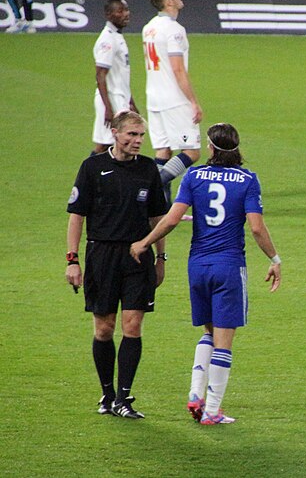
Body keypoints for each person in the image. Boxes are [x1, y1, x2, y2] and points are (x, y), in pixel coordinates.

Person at [130, 123, 281, 425]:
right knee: (224, 340)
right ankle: (212, 410)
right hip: (228, 266)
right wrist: (275, 258)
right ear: (236, 148)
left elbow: (172, 219)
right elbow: (255, 227)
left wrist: (145, 243)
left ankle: (195, 394)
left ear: (211, 148)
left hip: (197, 266)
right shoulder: (248, 180)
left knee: (208, 333)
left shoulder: (194, 176)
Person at [65, 111, 169, 420]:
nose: (137, 141)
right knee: (104, 329)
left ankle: (124, 397)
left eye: (141, 136)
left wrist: (161, 258)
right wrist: (72, 260)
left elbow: (157, 220)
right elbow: (76, 216)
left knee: (133, 325)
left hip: (138, 256)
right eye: (131, 135)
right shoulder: (93, 167)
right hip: (102, 256)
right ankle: (107, 393)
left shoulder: (149, 169)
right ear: (115, 133)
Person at [142, 0, 203, 205]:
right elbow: (178, 69)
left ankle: (161, 208)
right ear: (168, 2)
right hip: (173, 99)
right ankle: (151, 186)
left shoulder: (149, 27)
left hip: (154, 97)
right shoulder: (175, 30)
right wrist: (194, 102)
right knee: (192, 152)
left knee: (163, 151)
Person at [92, 0, 137, 155]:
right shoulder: (108, 40)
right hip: (111, 99)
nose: (126, 14)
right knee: (106, 145)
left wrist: (130, 102)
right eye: (120, 11)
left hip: (119, 98)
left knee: (112, 145)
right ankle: (86, 177)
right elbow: (100, 75)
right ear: (109, 15)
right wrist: (108, 108)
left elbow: (121, 75)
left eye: (126, 10)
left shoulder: (117, 36)